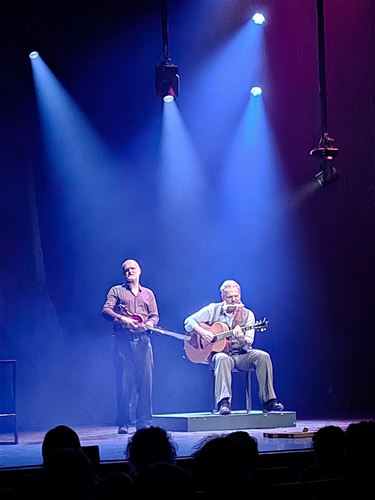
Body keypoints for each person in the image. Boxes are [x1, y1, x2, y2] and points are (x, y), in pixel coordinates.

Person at [184, 279, 284, 415]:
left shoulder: (248, 314)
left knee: (263, 356)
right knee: (221, 358)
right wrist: (203, 332)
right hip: (222, 356)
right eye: (230, 297)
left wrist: (241, 337)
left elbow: (249, 341)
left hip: (241, 354)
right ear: (223, 297)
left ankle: (269, 401)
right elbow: (188, 321)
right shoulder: (213, 309)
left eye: (236, 296)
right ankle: (224, 402)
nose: (233, 300)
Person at [102, 259, 159, 434]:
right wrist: (123, 319)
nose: (129, 272)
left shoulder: (148, 293)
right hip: (123, 343)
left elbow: (154, 316)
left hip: (143, 342)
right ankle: (123, 422)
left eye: (132, 269)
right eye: (125, 270)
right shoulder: (116, 291)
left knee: (145, 383)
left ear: (140, 271)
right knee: (124, 383)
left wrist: (149, 324)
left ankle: (144, 422)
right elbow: (106, 311)